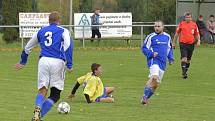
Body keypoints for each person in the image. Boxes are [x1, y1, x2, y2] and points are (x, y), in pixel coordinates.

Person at [15, 11, 73, 121]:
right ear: (59, 20)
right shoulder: (63, 31)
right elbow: (68, 47)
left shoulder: (41, 31)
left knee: (42, 90)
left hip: (43, 61)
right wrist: (69, 64)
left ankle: (37, 111)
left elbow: (27, 47)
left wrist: (23, 61)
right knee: (55, 94)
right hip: (58, 61)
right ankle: (38, 117)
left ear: (49, 21)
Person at [141, 20, 174, 105]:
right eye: (155, 26)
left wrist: (170, 58)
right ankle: (144, 96)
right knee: (154, 77)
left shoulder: (167, 37)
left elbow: (169, 49)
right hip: (153, 60)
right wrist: (151, 54)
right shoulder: (150, 37)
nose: (157, 28)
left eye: (159, 26)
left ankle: (146, 99)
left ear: (163, 27)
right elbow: (144, 48)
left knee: (155, 85)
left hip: (163, 63)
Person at [173, 12, 200, 79]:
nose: (188, 18)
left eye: (189, 17)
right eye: (187, 17)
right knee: (184, 58)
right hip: (183, 43)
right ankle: (184, 73)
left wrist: (198, 40)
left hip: (191, 44)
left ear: (191, 18)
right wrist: (173, 43)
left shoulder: (194, 25)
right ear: (185, 18)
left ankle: (185, 71)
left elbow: (197, 34)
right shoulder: (182, 24)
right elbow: (177, 33)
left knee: (188, 60)